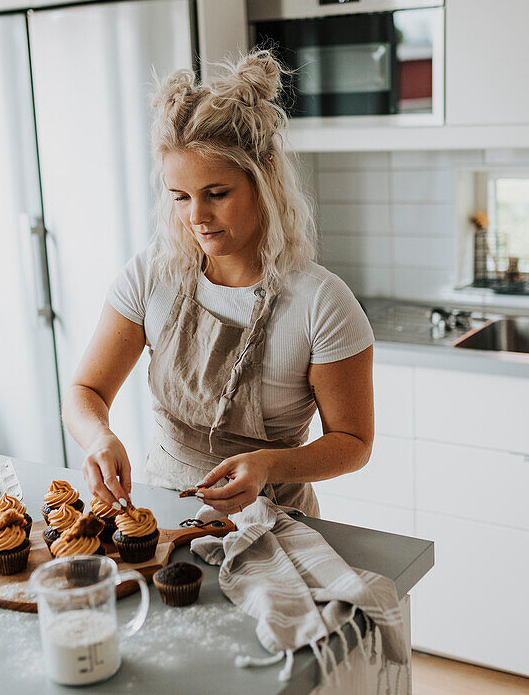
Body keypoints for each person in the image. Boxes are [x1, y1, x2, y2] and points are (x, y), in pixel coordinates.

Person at [62, 50, 374, 517]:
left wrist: (268, 465)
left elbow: (353, 442)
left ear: (264, 174)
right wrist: (98, 436)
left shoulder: (321, 303)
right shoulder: (152, 275)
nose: (196, 217)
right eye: (180, 197)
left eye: (217, 194)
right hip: (163, 514)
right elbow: (85, 392)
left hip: (276, 525)